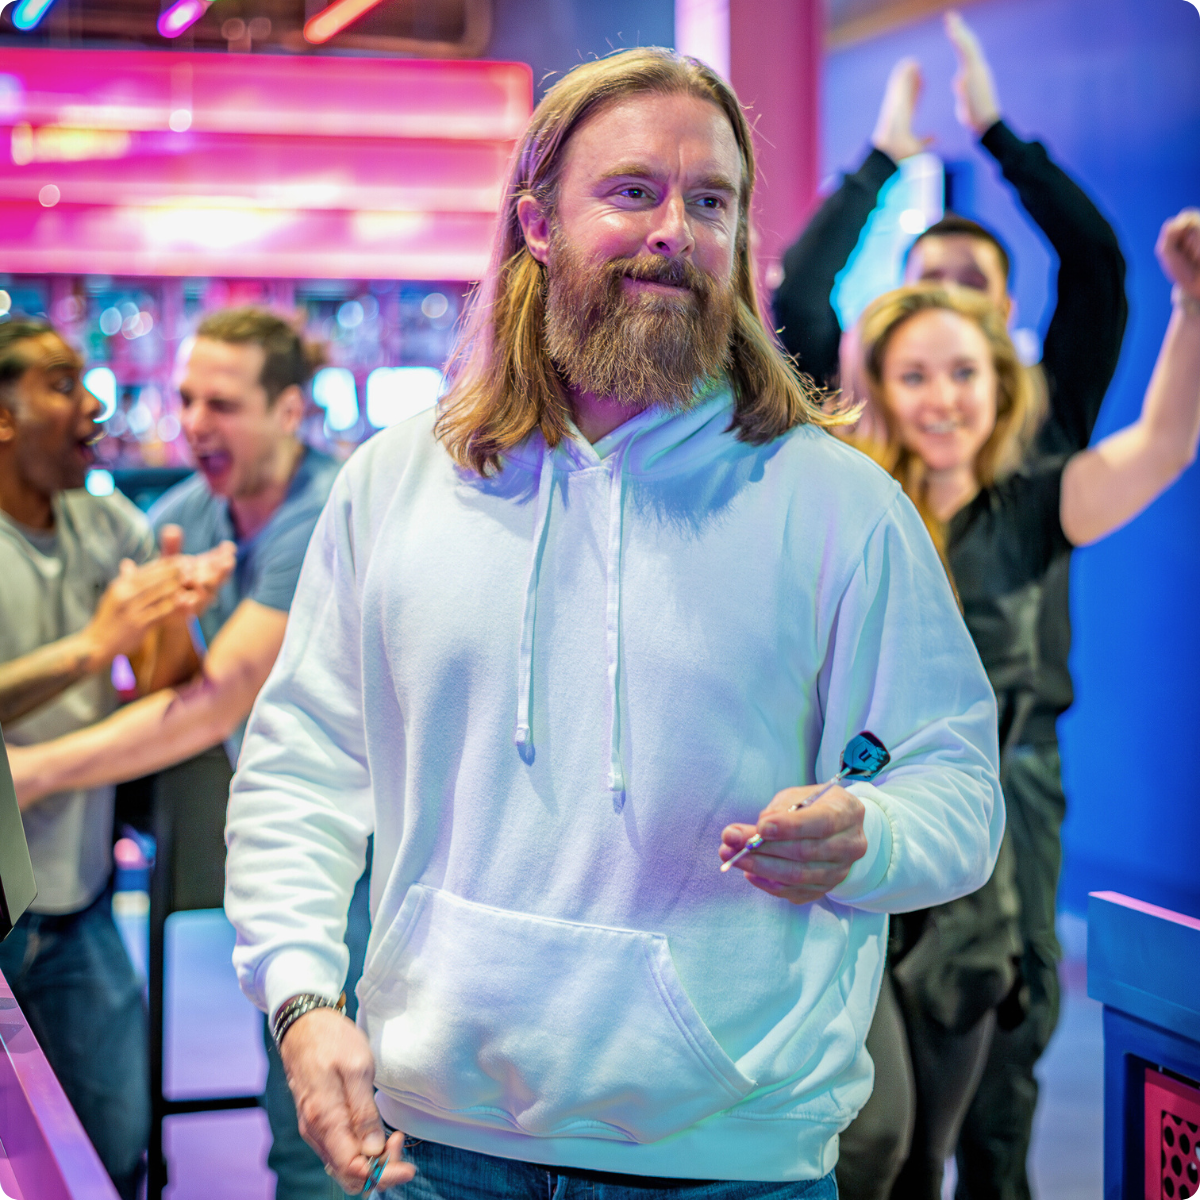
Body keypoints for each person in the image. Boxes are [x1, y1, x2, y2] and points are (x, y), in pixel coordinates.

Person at [223, 47, 1007, 1199]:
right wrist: (299, 994)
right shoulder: (396, 484)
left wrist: (870, 833)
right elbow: (302, 767)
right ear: (537, 223)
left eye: (711, 202)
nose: (675, 233)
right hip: (434, 1148)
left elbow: (957, 788)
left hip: (732, 1165)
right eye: (635, 191)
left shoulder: (837, 505)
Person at [772, 15, 1128, 1198]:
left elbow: (1099, 272)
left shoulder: (1040, 445)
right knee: (877, 1118)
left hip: (1013, 778)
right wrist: (882, 157)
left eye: (972, 296)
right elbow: (799, 298)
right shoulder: (857, 465)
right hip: (874, 778)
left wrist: (997, 135)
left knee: (1002, 1075)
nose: (946, 318)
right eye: (925, 293)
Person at [848, 206, 1200, 1200]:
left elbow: (1164, 445)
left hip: (987, 856)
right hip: (863, 849)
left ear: (1000, 383)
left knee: (965, 1129)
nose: (942, 399)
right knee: (870, 1143)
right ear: (878, 386)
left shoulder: (1038, 502)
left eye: (964, 373)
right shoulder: (850, 504)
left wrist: (1190, 303)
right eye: (915, 375)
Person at [5, 307, 356, 1199]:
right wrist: (151, 623)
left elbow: (209, 703)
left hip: (364, 856)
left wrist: (29, 772)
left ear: (289, 410)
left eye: (223, 404)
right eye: (188, 398)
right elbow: (163, 678)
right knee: (299, 1109)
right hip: (280, 846)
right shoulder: (188, 514)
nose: (195, 423)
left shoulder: (327, 512)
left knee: (327, 1130)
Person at [0, 317, 234, 1199]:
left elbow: (166, 683)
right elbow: (100, 653)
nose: (94, 405)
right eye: (61, 385)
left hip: (79, 898)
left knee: (115, 1139)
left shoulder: (105, 519)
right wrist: (92, 649)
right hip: (6, 906)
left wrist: (170, 615)